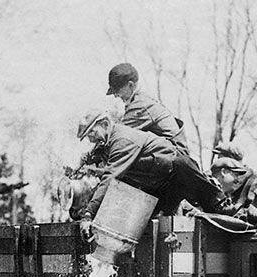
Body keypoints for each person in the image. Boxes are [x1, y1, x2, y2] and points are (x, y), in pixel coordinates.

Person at [76, 102, 231, 223]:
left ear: (104, 124)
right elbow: (101, 163)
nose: (91, 139)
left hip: (178, 173)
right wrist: (84, 166)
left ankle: (222, 205)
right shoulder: (108, 143)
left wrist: (89, 213)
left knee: (214, 207)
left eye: (92, 132)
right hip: (159, 187)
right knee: (151, 226)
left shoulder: (122, 140)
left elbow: (110, 177)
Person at [107, 63, 190, 155]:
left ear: (130, 85)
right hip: (171, 153)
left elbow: (118, 136)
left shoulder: (141, 104)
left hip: (175, 155)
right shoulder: (141, 98)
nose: (115, 95)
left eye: (117, 90)